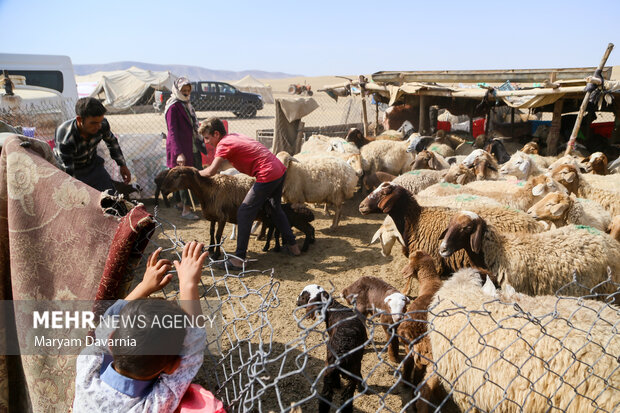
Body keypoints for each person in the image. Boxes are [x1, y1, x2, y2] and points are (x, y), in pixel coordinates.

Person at [73, 241, 224, 412]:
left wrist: (143, 286)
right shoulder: (152, 405)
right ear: (172, 366)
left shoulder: (86, 369)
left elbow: (106, 325)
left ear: (111, 341)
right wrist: (188, 284)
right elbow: (191, 351)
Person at [198, 117, 300, 269]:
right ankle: (294, 248)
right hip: (279, 169)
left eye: (207, 138)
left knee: (244, 212)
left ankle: (238, 259)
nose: (206, 142)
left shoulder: (223, 144)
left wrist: (194, 173)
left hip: (268, 173)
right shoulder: (234, 136)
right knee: (274, 208)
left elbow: (212, 171)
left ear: (216, 134)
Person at [53, 97, 131, 192]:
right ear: (79, 119)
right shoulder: (65, 136)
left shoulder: (102, 124)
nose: (98, 126)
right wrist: (74, 191)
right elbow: (67, 170)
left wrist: (122, 165)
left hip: (93, 166)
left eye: (100, 122)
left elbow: (112, 142)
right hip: (74, 171)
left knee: (110, 198)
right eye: (93, 123)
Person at [165, 77, 206, 220]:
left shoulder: (186, 104)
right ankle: (186, 210)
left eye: (188, 90)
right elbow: (172, 132)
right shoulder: (173, 107)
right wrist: (179, 153)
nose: (186, 93)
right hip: (181, 147)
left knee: (187, 174)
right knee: (184, 177)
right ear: (177, 90)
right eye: (183, 90)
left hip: (191, 145)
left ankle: (179, 203)